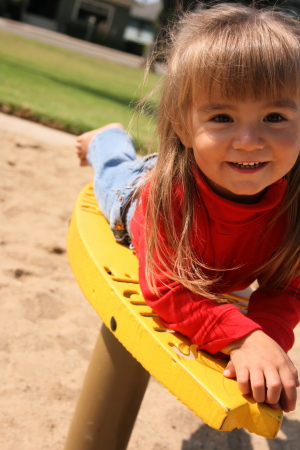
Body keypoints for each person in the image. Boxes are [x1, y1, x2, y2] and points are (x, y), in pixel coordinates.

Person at [76, 4, 300, 413]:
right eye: (221, 117)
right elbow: (167, 289)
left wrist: (265, 336)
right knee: (113, 170)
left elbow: (287, 286)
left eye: (274, 116)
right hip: (139, 194)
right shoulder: (167, 199)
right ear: (182, 125)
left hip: (197, 191)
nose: (249, 140)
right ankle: (107, 137)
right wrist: (242, 339)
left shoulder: (295, 208)